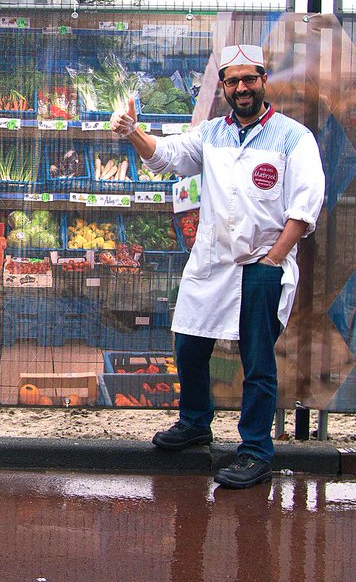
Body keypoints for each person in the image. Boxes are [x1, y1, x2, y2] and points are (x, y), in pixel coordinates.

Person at [111, 44, 324, 489]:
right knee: (189, 344)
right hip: (211, 262)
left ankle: (254, 450)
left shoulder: (292, 138)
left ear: (264, 81)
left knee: (257, 361)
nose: (241, 88)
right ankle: (195, 423)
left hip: (261, 264)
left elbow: (305, 208)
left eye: (250, 79)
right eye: (233, 81)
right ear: (224, 87)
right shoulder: (212, 133)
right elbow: (166, 156)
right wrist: (133, 131)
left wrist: (274, 259)